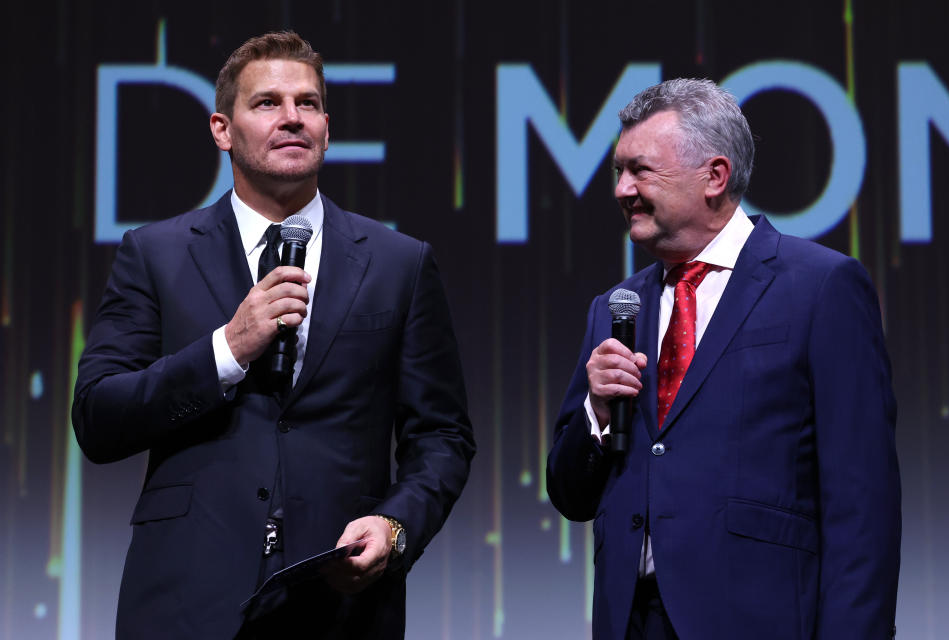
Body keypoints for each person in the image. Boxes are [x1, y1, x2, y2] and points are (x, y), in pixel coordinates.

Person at [72, 31, 474, 639]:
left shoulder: (399, 262)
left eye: (307, 103)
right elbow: (98, 417)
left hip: (340, 599)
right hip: (187, 596)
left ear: (327, 126)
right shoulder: (154, 253)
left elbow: (442, 435)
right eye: (267, 103)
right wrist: (226, 350)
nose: (292, 118)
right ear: (221, 129)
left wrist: (394, 527)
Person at [546, 78, 900, 640]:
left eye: (641, 169)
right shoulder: (616, 308)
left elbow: (863, 506)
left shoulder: (821, 287)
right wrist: (595, 414)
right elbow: (570, 496)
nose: (621, 189)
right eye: (617, 170)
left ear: (714, 175)